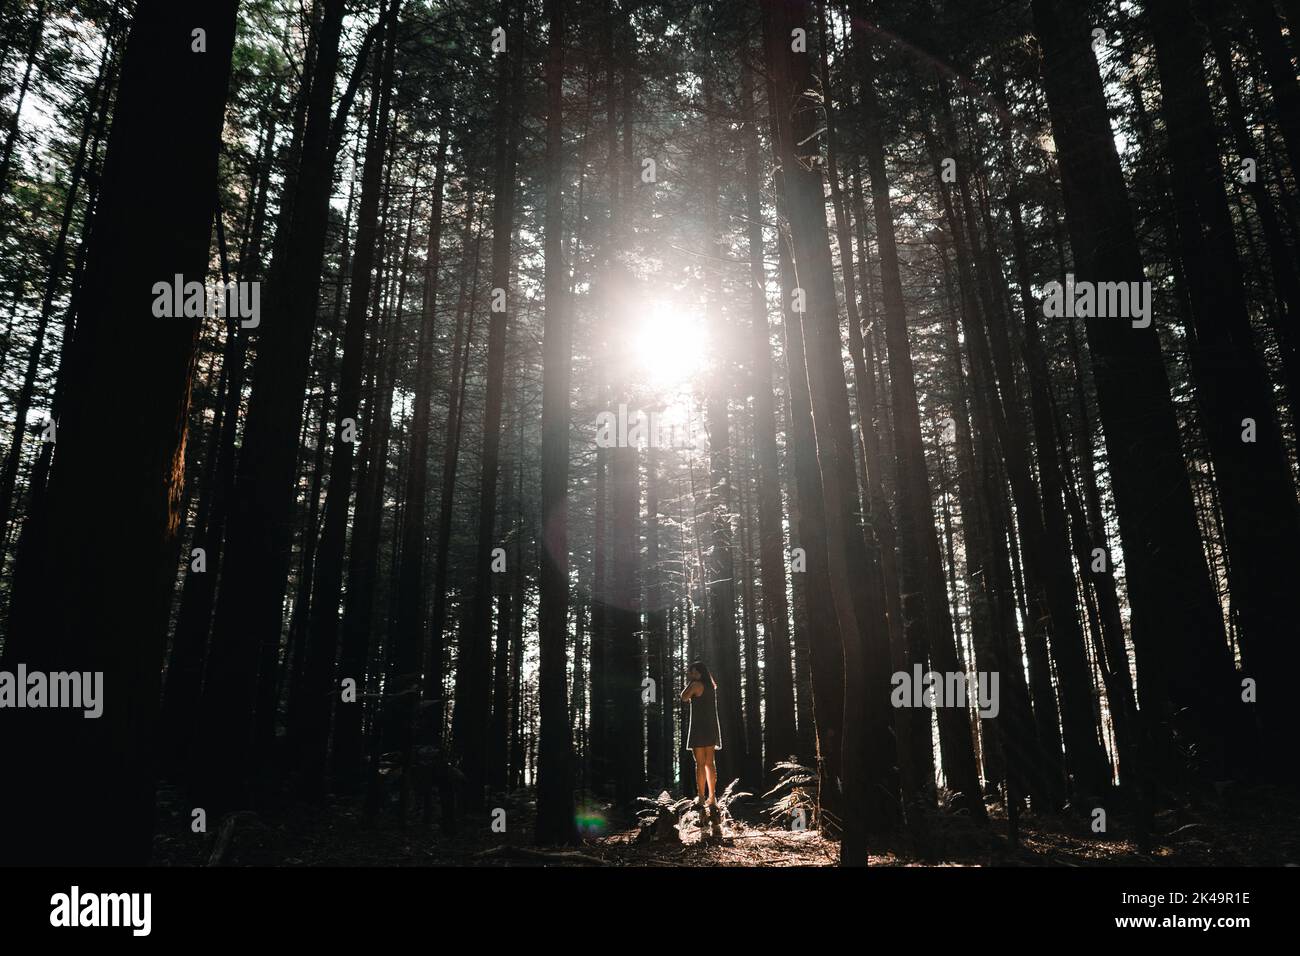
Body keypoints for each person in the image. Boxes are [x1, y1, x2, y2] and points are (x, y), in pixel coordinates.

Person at [680, 660, 722, 823]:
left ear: (697, 672)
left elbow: (684, 697)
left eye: (692, 672)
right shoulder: (711, 686)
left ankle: (701, 797)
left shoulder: (695, 684)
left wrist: (690, 682)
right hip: (711, 726)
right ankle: (713, 797)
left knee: (700, 764)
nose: (690, 674)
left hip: (698, 727)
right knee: (710, 763)